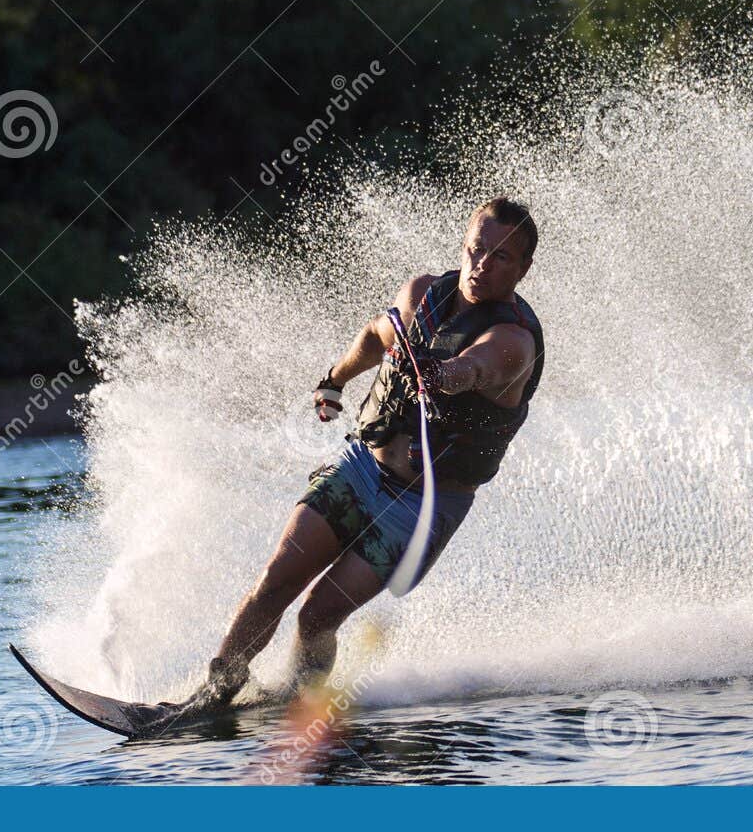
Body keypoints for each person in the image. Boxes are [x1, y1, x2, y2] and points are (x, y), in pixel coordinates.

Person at [152, 197, 544, 724]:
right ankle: (215, 693)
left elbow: (476, 368)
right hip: (361, 468)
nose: (482, 266)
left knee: (317, 617)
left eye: (500, 257)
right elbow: (373, 336)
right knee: (277, 578)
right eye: (476, 250)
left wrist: (444, 375)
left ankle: (297, 706)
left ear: (524, 267)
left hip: (421, 507)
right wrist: (334, 380)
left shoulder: (514, 342)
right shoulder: (422, 295)